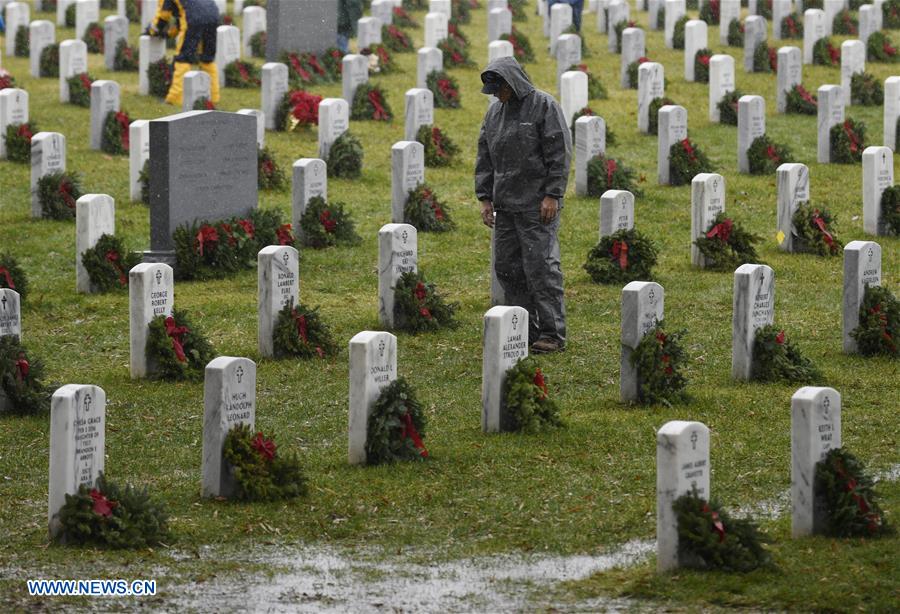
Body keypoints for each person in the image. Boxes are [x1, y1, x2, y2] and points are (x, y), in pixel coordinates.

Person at [475, 57, 572, 354]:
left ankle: (552, 332)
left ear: (511, 83)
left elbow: (559, 151)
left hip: (536, 205)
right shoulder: (494, 115)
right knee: (508, 268)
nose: (495, 95)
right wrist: (485, 197)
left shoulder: (544, 107)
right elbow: (485, 157)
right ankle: (524, 327)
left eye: (498, 89)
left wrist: (553, 194)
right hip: (506, 205)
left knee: (541, 269)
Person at [147, 0, 221, 107]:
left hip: (193, 18)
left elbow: (164, 15)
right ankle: (213, 96)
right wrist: (169, 33)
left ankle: (176, 97)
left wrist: (152, 31)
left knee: (183, 58)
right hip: (213, 15)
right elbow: (180, 17)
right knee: (207, 57)